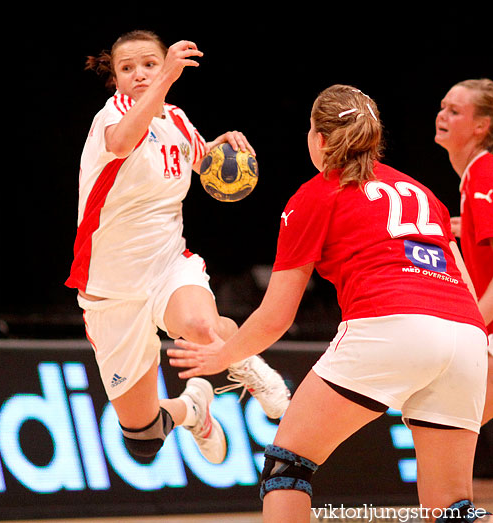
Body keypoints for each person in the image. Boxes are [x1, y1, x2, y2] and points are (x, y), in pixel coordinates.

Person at [168, 85, 491, 522]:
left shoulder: (316, 195)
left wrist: (223, 356)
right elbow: (466, 285)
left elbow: (276, 316)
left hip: (390, 324)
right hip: (468, 335)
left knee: (289, 466)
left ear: (319, 139)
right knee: (451, 506)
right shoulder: (424, 194)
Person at [65, 30, 290, 466]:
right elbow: (123, 142)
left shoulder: (178, 120)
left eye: (149, 64)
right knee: (143, 437)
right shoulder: (112, 117)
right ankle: (194, 409)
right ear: (115, 78)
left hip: (168, 266)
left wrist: (224, 147)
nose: (141, 74)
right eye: (127, 68)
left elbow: (203, 163)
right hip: (110, 289)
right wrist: (166, 77)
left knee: (201, 327)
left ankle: (259, 377)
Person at [435, 78, 493, 425]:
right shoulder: (475, 177)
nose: (442, 115)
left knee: (447, 430)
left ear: (481, 126)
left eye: (455, 111)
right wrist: (466, 230)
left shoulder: (483, 174)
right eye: (443, 107)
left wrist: (470, 328)